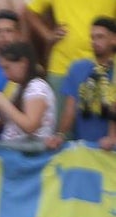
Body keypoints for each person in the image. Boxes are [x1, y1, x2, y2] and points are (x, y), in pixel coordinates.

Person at [45, 16, 116, 150]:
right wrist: (60, 135)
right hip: (83, 147)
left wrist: (113, 138)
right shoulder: (78, 68)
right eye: (92, 37)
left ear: (114, 39)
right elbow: (69, 110)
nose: (95, 41)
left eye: (100, 37)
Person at [24, 0, 115, 96]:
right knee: (61, 110)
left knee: (100, 110)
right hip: (62, 67)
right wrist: (47, 35)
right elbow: (30, 12)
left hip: (105, 67)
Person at [0, 40, 55, 140]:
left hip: (29, 152)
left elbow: (30, 126)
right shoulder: (20, 87)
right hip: (14, 148)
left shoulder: (37, 87)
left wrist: (4, 103)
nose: (4, 74)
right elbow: (14, 121)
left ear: (23, 63)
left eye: (7, 67)